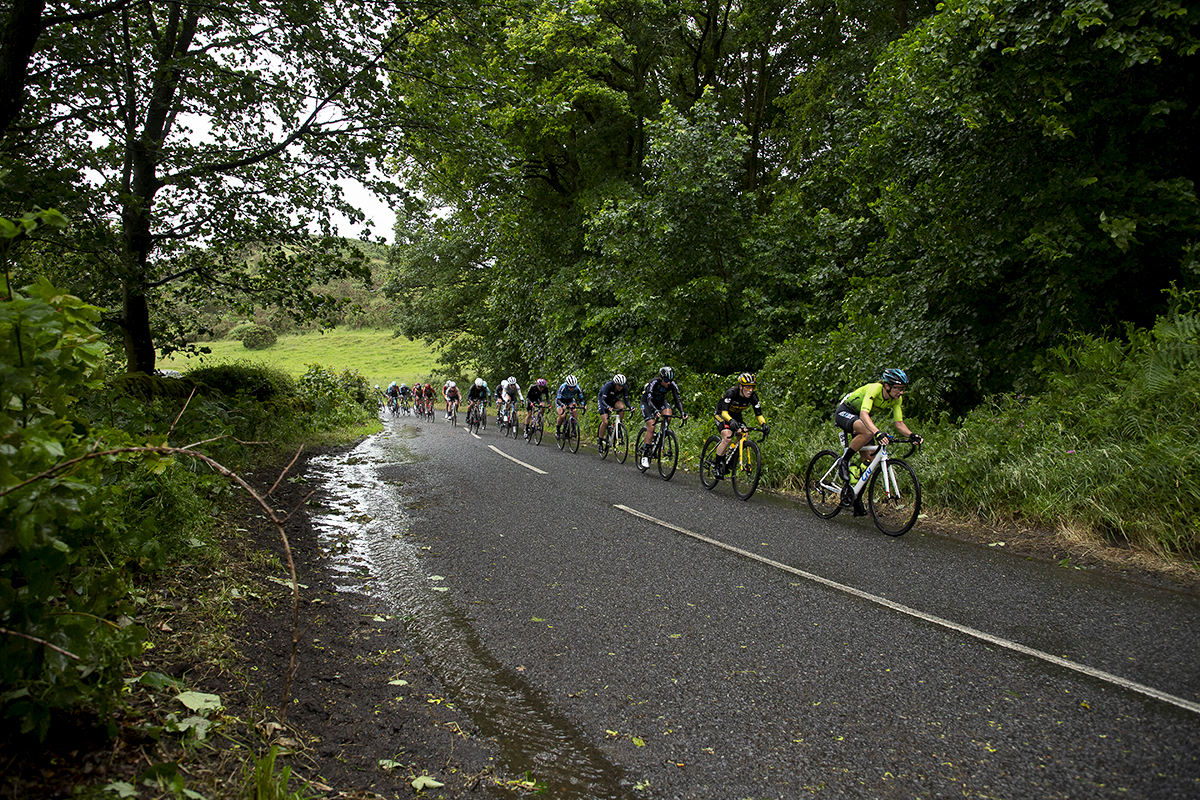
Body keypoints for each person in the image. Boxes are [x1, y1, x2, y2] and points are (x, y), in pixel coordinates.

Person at [834, 368, 923, 516]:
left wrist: (912, 435)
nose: (901, 393)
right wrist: (877, 432)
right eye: (898, 389)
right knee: (869, 432)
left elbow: (899, 424)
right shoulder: (875, 389)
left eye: (903, 389)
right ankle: (844, 461)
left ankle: (856, 499)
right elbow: (863, 414)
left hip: (861, 418)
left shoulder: (896, 399)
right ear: (887, 386)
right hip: (846, 412)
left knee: (869, 463)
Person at [712, 372, 770, 476]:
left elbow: (759, 414)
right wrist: (730, 421)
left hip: (736, 416)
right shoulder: (731, 393)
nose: (750, 390)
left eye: (752, 387)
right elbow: (724, 413)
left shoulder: (753, 397)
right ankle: (716, 464)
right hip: (722, 414)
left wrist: (763, 424)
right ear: (740, 386)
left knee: (744, 433)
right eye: (747, 387)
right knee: (727, 437)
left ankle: (731, 455)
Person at [639, 366, 687, 469]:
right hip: (648, 402)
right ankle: (645, 455)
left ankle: (660, 436)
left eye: (670, 380)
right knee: (651, 427)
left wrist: (682, 412)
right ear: (661, 378)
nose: (668, 383)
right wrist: (655, 411)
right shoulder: (654, 383)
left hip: (660, 401)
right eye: (666, 380)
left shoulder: (672, 384)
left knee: (668, 415)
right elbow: (649, 399)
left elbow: (677, 399)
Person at [596, 373, 629, 453]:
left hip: (613, 399)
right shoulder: (608, 386)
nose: (621, 387)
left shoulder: (624, 387)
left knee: (621, 407)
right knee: (605, 421)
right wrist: (607, 407)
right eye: (619, 385)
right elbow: (603, 400)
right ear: (615, 383)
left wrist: (630, 407)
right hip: (603, 400)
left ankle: (618, 426)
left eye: (622, 385)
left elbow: (626, 400)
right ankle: (600, 441)